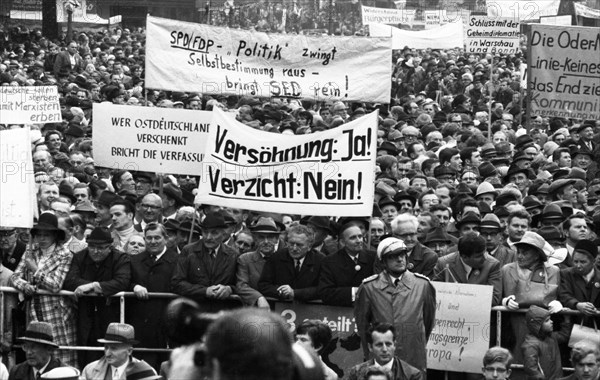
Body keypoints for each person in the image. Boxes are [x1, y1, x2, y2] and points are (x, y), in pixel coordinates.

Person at [355, 237, 436, 374]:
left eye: (402, 255)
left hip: (413, 355)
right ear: (383, 262)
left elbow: (428, 323)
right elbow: (362, 326)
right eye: (393, 256)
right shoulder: (369, 287)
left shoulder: (423, 285)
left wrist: (414, 342)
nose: (400, 260)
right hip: (381, 356)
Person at [9, 213, 77, 366]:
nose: (42, 238)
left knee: (61, 356)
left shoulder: (64, 254)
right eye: (39, 234)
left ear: (55, 235)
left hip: (58, 313)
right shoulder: (30, 250)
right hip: (34, 311)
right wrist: (26, 286)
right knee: (38, 354)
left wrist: (34, 269)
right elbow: (14, 277)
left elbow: (55, 285)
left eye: (47, 234)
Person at [62, 226, 131, 368]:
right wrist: (91, 285)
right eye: (92, 246)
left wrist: (94, 286)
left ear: (110, 247)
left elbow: (122, 281)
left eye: (100, 247)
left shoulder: (120, 258)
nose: (95, 251)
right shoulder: (80, 256)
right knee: (85, 355)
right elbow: (69, 281)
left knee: (110, 353)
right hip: (85, 314)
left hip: (110, 314)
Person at [501, 231, 562, 363]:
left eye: (525, 253)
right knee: (516, 363)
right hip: (514, 326)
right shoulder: (507, 269)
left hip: (540, 329)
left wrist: (557, 303)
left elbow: (554, 295)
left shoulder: (552, 271)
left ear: (536, 255)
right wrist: (505, 301)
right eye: (519, 252)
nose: (520, 256)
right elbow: (499, 294)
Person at [128, 223, 179, 369]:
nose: (153, 241)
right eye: (149, 238)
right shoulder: (135, 260)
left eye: (157, 237)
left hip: (165, 323)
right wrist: (134, 286)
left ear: (165, 238)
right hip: (140, 324)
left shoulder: (178, 260)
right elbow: (124, 281)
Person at [171, 212, 239, 311]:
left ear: (223, 234)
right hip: (194, 312)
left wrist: (230, 289)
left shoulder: (233, 255)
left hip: (220, 314)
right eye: (205, 232)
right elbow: (177, 283)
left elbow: (240, 284)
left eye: (214, 233)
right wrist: (204, 291)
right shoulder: (189, 251)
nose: (208, 237)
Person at [258, 224, 324, 301]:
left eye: (299, 245)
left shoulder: (320, 260)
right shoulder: (276, 257)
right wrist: (282, 292)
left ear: (309, 246)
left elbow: (322, 289)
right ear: (286, 242)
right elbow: (263, 285)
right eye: (291, 244)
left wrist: (295, 293)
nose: (294, 248)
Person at [433, 232, 502, 306]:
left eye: (485, 252)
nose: (485, 258)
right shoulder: (443, 263)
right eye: (479, 256)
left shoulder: (492, 265)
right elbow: (435, 294)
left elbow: (494, 298)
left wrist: (456, 295)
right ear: (464, 256)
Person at [318, 223, 376, 306]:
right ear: (342, 242)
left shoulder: (373, 258)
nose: (359, 241)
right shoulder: (330, 261)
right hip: (341, 314)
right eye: (353, 238)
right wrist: (355, 292)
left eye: (360, 236)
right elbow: (326, 293)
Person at [344, 323, 422, 380]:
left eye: (388, 344)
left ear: (394, 345)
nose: (384, 349)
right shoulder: (356, 373)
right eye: (379, 345)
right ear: (370, 347)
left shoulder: (412, 375)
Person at [235, 217, 283, 307]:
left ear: (276, 239)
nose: (266, 242)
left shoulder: (284, 259)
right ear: (255, 239)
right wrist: (259, 298)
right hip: (254, 309)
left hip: (281, 309)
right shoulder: (245, 259)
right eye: (261, 237)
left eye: (270, 237)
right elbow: (241, 286)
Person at [81, 323, 154, 380]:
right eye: (106, 347)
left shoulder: (145, 373)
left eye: (114, 348)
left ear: (129, 351)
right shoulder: (89, 370)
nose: (107, 353)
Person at [558, 239, 600, 327]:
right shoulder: (565, 274)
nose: (578, 266)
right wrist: (577, 305)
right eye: (575, 261)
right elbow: (563, 295)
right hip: (573, 326)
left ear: (594, 261)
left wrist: (594, 310)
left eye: (583, 262)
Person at [521, 305, 569, 380]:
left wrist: (567, 318)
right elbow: (531, 369)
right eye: (547, 321)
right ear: (537, 325)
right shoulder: (530, 345)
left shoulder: (551, 337)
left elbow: (564, 335)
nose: (551, 322)